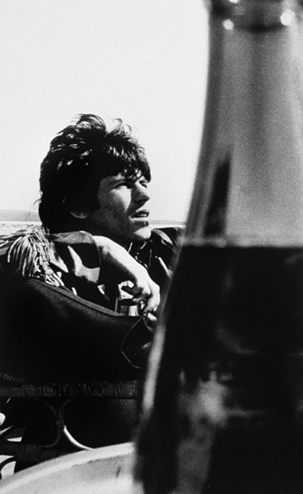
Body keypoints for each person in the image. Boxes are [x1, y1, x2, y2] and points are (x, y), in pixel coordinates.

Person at [0, 114, 180, 463]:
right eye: (123, 184)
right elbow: (12, 267)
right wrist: (100, 249)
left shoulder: (166, 249)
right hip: (72, 466)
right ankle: (144, 343)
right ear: (78, 206)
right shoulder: (38, 265)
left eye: (143, 182)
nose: (145, 195)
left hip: (170, 459)